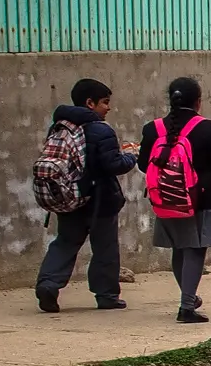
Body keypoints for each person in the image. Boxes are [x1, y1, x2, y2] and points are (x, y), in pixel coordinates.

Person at [137, 77, 211, 323]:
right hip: (199, 198)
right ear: (198, 102)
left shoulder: (153, 129)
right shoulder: (207, 128)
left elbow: (142, 164)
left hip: (164, 199)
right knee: (195, 249)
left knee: (180, 248)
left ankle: (188, 297)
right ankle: (186, 307)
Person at [35, 78, 138, 313]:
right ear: (90, 103)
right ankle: (106, 295)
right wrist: (132, 156)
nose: (108, 108)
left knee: (65, 243)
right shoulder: (101, 129)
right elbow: (113, 165)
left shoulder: (61, 126)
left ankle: (48, 284)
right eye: (105, 102)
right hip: (100, 200)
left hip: (70, 198)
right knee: (105, 248)